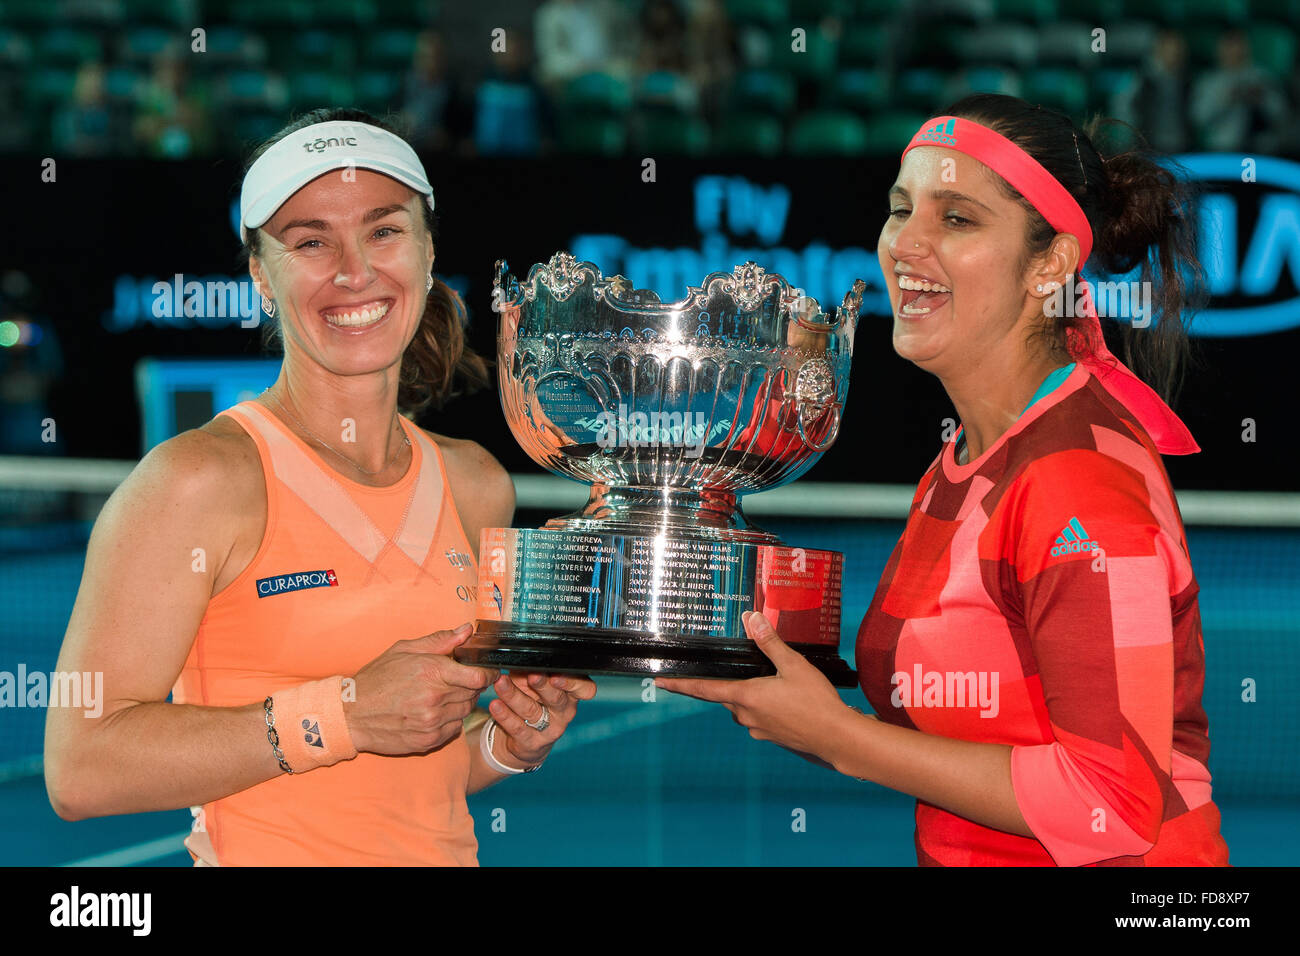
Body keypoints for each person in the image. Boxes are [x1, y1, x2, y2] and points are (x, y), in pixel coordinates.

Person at [658, 94, 1231, 866]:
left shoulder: (1076, 480)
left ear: (1052, 263)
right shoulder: (966, 457)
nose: (905, 244)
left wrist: (840, 738)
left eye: (956, 218)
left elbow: (1113, 806)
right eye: (901, 210)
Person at [44, 108, 596, 866]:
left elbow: (411, 780)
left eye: (383, 230)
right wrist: (343, 713)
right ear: (260, 277)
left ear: (428, 251)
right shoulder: (196, 481)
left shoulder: (476, 485)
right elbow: (80, 769)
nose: (354, 271)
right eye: (310, 242)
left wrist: (504, 745)